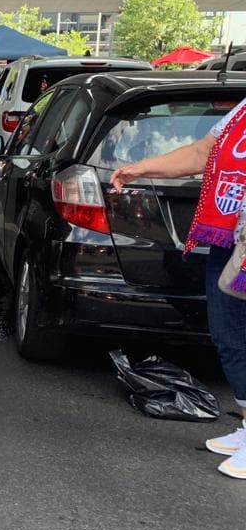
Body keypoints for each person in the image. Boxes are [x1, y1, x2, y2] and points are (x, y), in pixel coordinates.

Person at [110, 98, 246, 480]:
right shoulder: (242, 111)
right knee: (229, 332)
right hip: (231, 236)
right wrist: (142, 167)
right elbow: (204, 152)